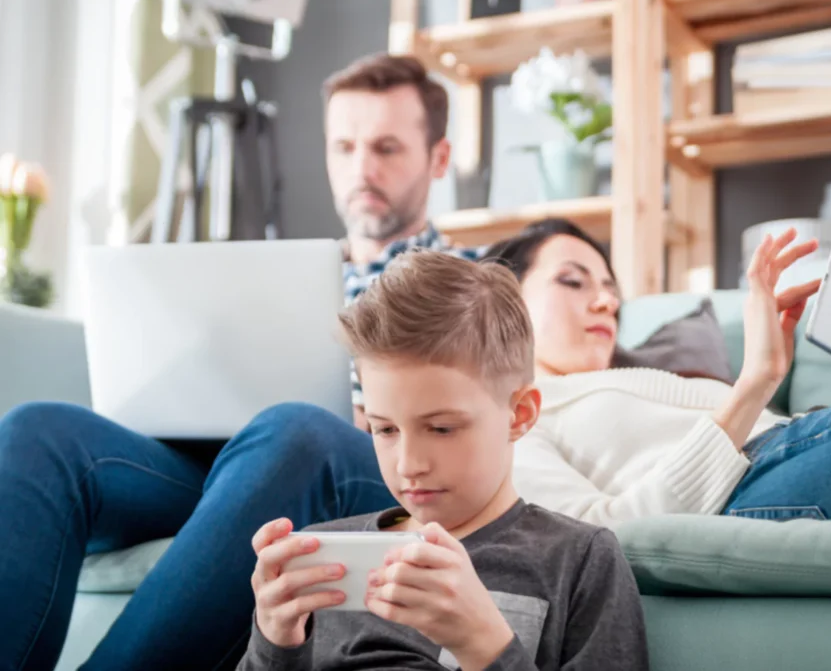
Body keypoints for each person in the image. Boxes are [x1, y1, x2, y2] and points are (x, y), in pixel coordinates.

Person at [0, 53, 478, 671]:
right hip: (239, 462)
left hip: (361, 458)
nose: (362, 167)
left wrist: (382, 411)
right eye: (345, 146)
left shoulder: (477, 278)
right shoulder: (281, 274)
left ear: (438, 159)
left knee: (295, 427)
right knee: (40, 430)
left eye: (386, 148)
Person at [238, 250, 648, 671]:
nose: (409, 465)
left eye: (441, 429)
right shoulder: (322, 558)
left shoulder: (578, 560)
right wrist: (274, 643)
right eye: (386, 430)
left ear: (519, 414)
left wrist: (484, 645)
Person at [482, 218, 831, 526]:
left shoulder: (634, 381)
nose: (605, 302)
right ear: (503, 299)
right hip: (747, 491)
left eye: (610, 289)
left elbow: (802, 442)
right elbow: (601, 538)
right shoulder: (514, 421)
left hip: (791, 452)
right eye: (574, 282)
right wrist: (755, 381)